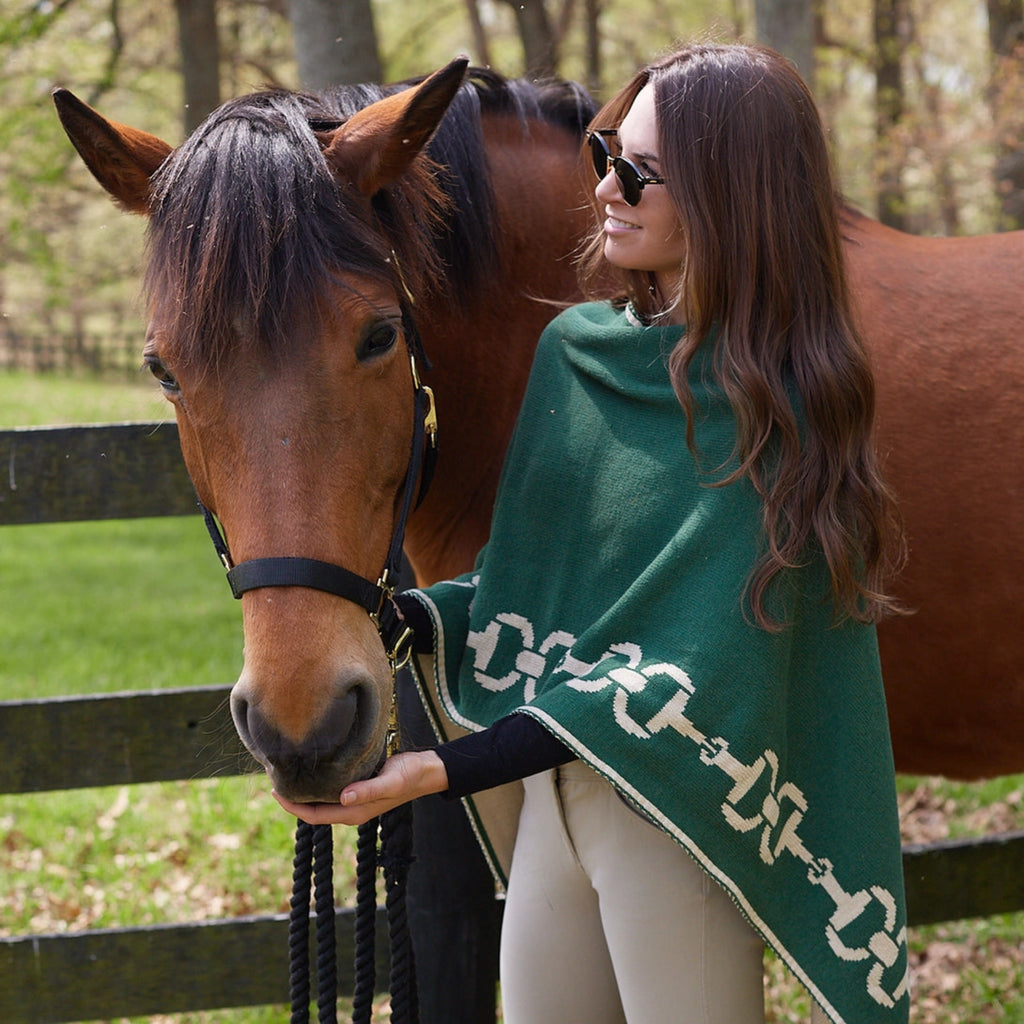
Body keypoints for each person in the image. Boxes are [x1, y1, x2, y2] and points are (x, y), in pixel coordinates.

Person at [275, 43, 910, 1024]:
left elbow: (691, 675)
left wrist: (441, 768)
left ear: (736, 195)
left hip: (675, 813)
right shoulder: (574, 353)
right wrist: (385, 619)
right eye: (606, 150)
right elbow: (517, 591)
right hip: (551, 810)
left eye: (640, 171)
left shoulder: (781, 403)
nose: (605, 185)